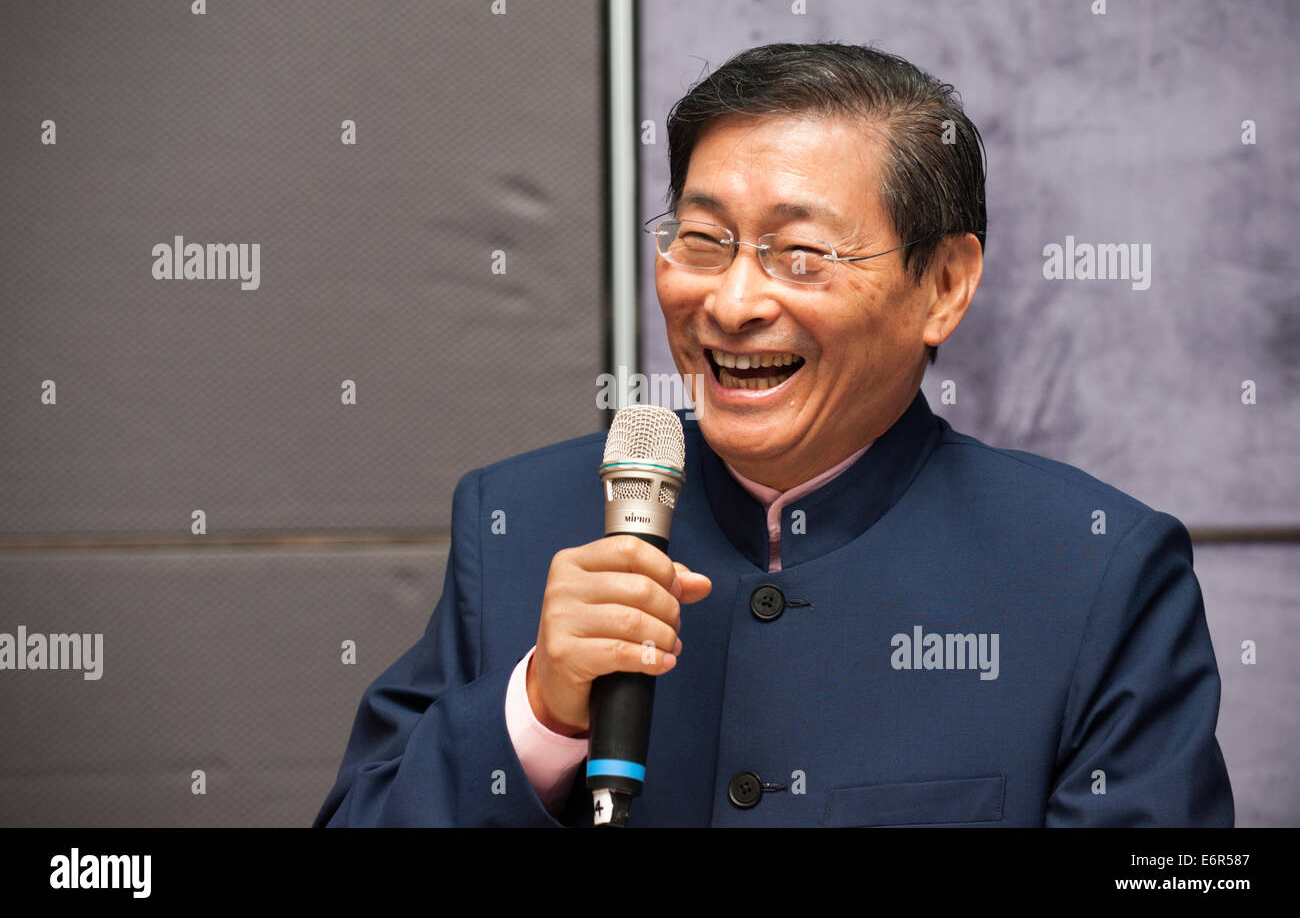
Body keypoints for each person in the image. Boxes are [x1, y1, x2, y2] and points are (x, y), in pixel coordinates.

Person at [314, 42, 1233, 827]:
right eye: (704, 240)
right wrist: (539, 713)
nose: (733, 302)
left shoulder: (1093, 569)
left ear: (944, 285)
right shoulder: (517, 519)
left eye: (801, 255)